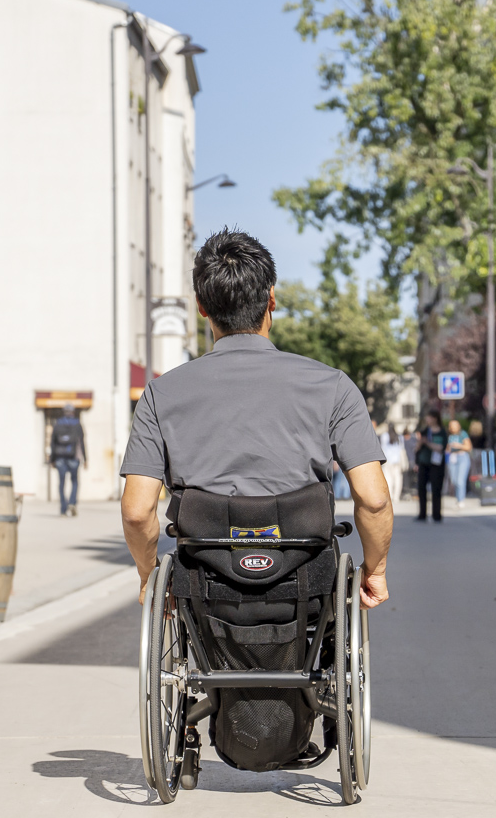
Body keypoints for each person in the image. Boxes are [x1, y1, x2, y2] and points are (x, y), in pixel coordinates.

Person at [119, 227, 392, 612]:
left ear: (201, 306)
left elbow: (136, 511)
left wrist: (150, 577)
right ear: (271, 299)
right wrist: (375, 570)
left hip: (204, 593)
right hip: (307, 590)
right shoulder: (332, 386)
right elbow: (375, 499)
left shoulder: (161, 394)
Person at [49, 403, 86, 516]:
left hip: (60, 457)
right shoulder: (77, 424)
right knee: (74, 481)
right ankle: (72, 502)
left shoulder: (57, 424)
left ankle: (63, 509)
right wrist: (85, 458)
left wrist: (52, 460)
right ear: (73, 412)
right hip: (73, 457)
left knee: (61, 483)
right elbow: (82, 442)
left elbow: (53, 443)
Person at [414, 411, 447, 522]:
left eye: (429, 418)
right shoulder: (424, 431)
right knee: (421, 488)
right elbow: (416, 449)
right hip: (424, 462)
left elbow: (441, 447)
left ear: (435, 419)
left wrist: (428, 443)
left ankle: (436, 514)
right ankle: (422, 514)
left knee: (436, 489)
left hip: (436, 464)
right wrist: (420, 442)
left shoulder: (442, 432)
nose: (427, 420)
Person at [446, 418, 473, 505]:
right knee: (454, 480)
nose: (453, 428)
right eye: (451, 426)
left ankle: (461, 500)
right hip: (452, 457)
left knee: (460, 480)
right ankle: (458, 498)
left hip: (462, 456)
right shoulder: (449, 435)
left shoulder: (462, 434)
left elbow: (468, 447)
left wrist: (459, 446)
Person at [381, 424, 407, 505]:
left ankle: (390, 496)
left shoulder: (384, 436)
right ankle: (396, 496)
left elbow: (382, 448)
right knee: (398, 479)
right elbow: (401, 449)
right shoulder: (399, 437)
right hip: (397, 461)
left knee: (388, 479)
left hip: (387, 461)